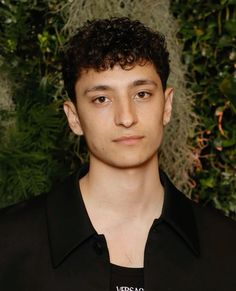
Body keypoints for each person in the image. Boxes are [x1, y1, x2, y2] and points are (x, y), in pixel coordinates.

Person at [0, 17, 235, 291]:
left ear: (167, 105)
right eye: (102, 99)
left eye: (142, 94)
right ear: (74, 117)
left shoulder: (227, 247)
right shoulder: (8, 244)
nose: (126, 117)